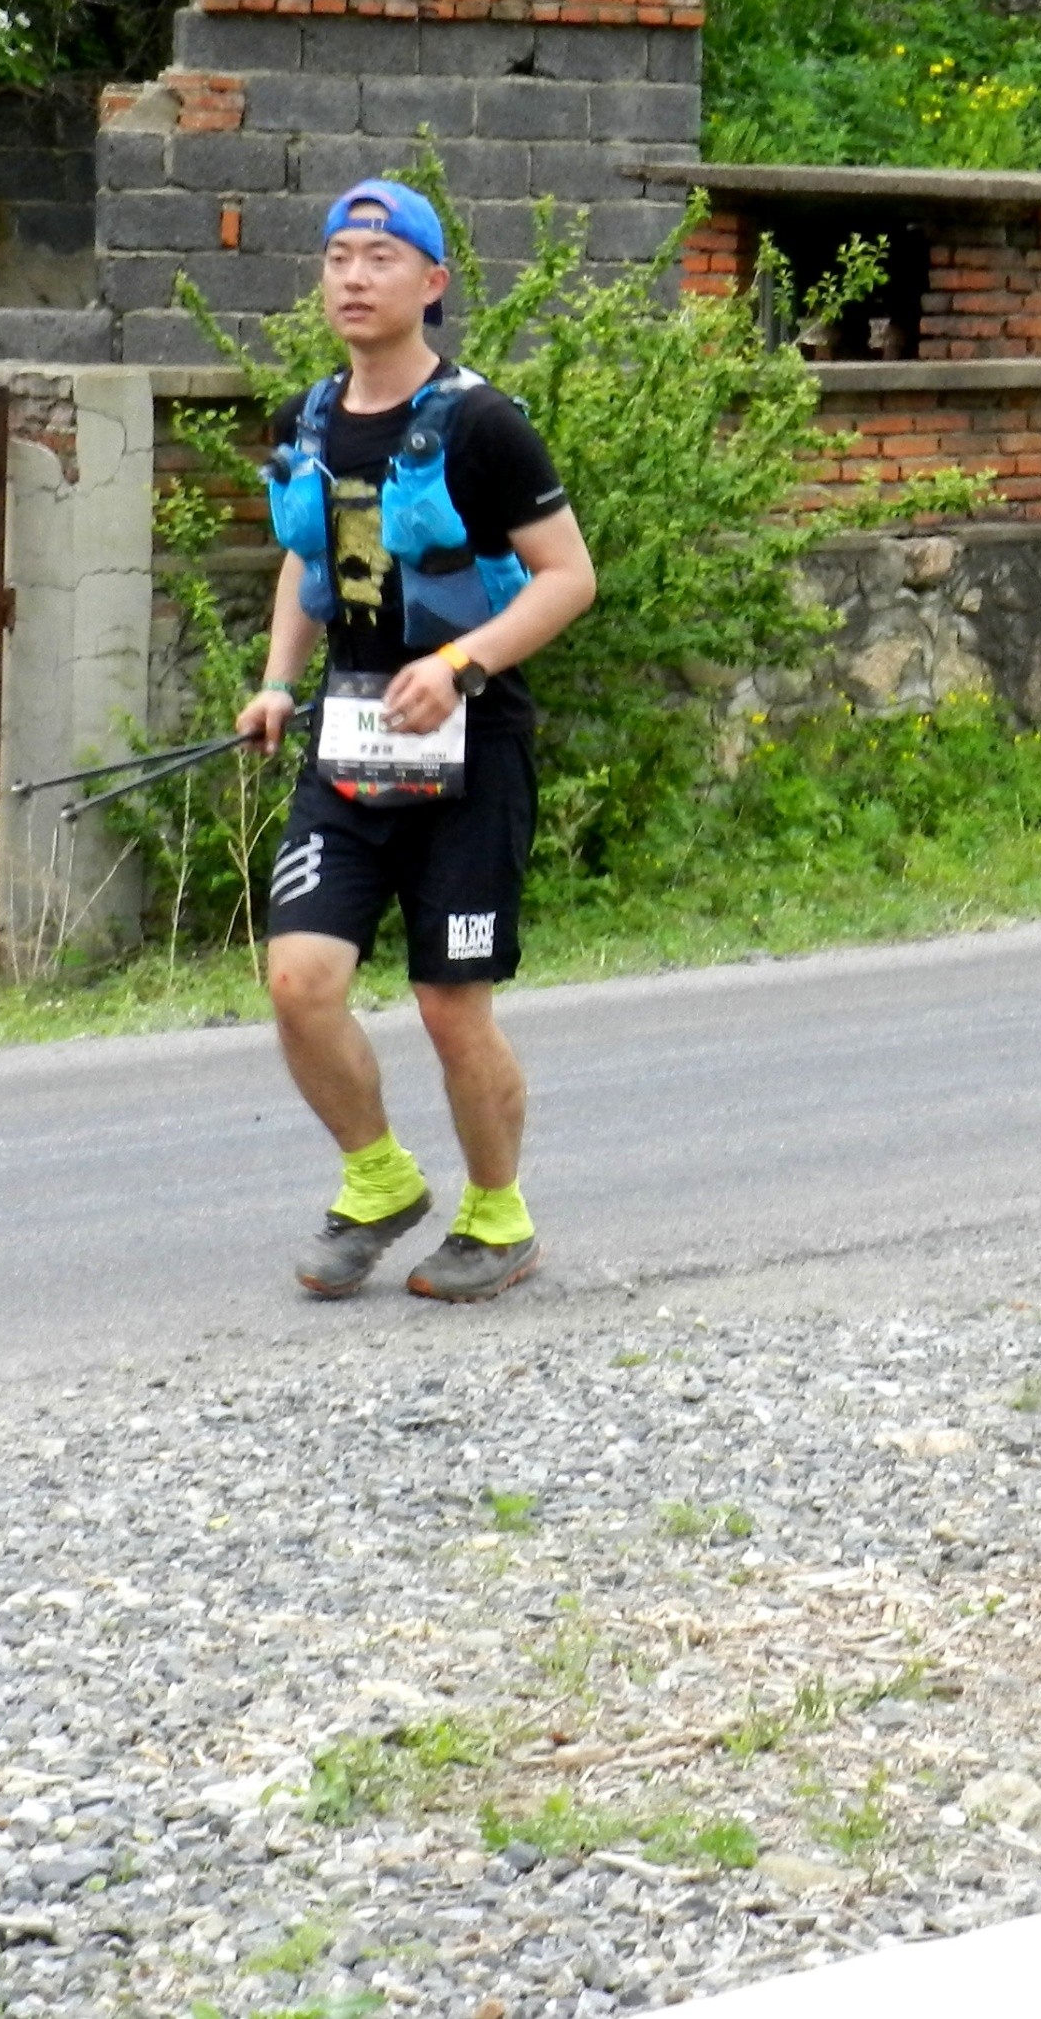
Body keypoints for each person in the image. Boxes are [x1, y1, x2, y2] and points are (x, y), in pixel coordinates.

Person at [237, 179, 599, 1301]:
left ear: (432, 284)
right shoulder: (312, 414)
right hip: (347, 743)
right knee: (299, 979)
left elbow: (569, 578)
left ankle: (497, 1214)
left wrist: (456, 665)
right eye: (339, 256)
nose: (354, 276)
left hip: (471, 746)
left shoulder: (483, 422)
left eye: (381, 258)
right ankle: (379, 1178)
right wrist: (275, 683)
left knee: (450, 1004)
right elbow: (308, 554)